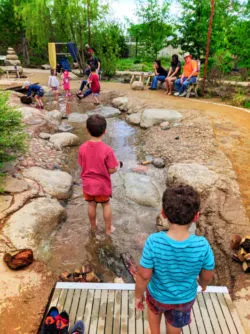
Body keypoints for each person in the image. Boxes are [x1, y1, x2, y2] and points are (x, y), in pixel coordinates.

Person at [135, 185, 214, 334]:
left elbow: (144, 275)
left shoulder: (153, 241)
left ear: (163, 213)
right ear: (196, 216)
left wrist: (138, 296)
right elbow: (207, 273)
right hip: (183, 299)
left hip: (157, 295)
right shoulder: (202, 245)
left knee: (154, 314)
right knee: (175, 326)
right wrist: (203, 284)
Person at [78, 115, 119, 235]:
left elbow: (82, 164)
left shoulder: (82, 148)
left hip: (88, 185)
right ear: (104, 131)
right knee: (106, 204)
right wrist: (116, 168)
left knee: (91, 204)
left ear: (87, 129)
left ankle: (93, 227)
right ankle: (108, 229)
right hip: (102, 185)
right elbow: (111, 169)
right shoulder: (107, 150)